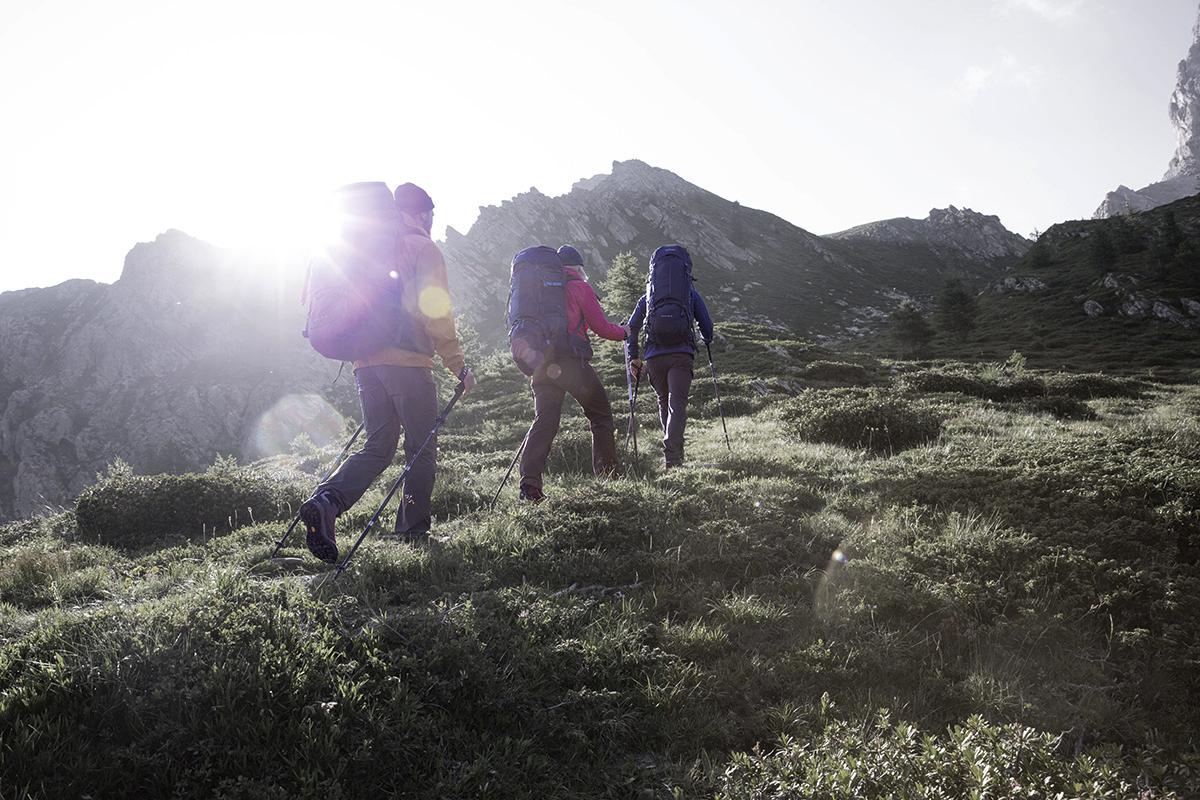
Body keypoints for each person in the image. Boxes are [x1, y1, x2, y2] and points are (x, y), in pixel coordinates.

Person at [300, 182, 475, 561]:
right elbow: (436, 312)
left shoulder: (366, 249)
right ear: (423, 213)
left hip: (365, 364)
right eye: (430, 213)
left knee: (378, 447)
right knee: (421, 447)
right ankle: (413, 532)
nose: (431, 221)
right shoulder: (421, 247)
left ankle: (327, 502)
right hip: (409, 365)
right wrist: (458, 365)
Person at [517, 245, 630, 503]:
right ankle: (608, 477)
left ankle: (529, 487)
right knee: (600, 415)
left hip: (543, 365)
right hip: (571, 364)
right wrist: (625, 332)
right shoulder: (580, 287)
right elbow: (602, 327)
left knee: (544, 422)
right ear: (578, 268)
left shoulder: (542, 291)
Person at [626, 245, 714, 469]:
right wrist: (707, 339)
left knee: (664, 402)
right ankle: (673, 457)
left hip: (655, 357)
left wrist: (634, 357)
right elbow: (707, 327)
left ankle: (673, 454)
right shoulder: (689, 293)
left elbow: (632, 327)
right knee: (677, 404)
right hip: (681, 355)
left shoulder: (648, 297)